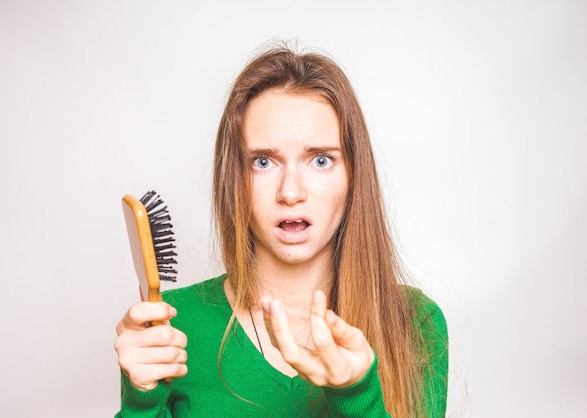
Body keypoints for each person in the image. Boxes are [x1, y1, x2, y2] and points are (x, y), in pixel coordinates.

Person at [114, 43, 448, 417]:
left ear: (354, 176)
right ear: (232, 180)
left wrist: (358, 395)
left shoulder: (413, 322)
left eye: (321, 160)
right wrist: (141, 400)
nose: (291, 192)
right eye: (262, 162)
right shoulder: (173, 328)